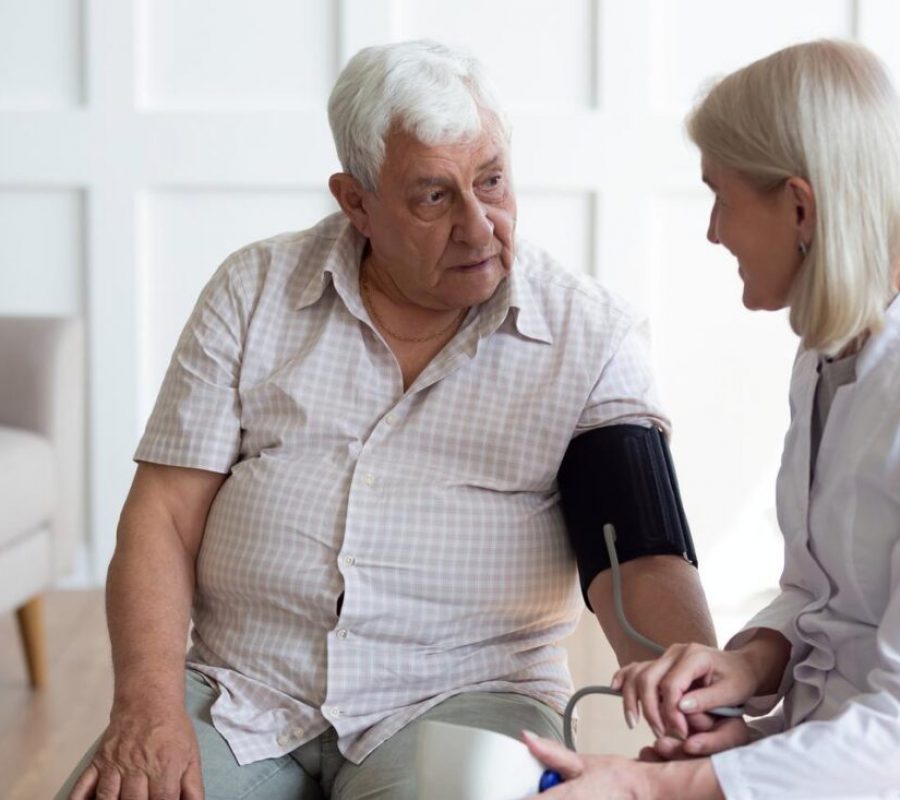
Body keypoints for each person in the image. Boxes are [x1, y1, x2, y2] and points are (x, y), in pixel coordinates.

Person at [57, 40, 715, 800]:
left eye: (492, 182)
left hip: (466, 695)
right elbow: (163, 516)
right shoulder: (254, 289)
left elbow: (639, 553)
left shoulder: (590, 334)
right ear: (356, 202)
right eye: (434, 197)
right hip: (245, 692)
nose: (479, 226)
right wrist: (147, 707)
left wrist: (699, 701)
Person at [524, 39, 900, 799]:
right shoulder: (829, 359)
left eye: (720, 195)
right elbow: (822, 600)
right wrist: (749, 664)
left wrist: (661, 786)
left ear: (799, 206)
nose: (712, 231)